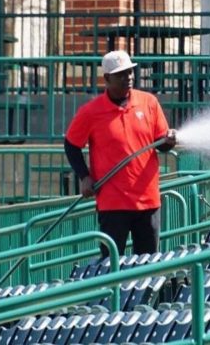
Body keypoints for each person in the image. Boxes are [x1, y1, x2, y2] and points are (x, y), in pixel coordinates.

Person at [64, 49, 177, 258]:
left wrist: (169, 141)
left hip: (147, 200)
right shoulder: (91, 112)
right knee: (112, 263)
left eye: (131, 72)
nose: (129, 78)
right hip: (112, 202)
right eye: (122, 74)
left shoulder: (148, 102)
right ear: (107, 78)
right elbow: (71, 145)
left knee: (148, 263)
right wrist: (84, 176)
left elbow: (160, 143)